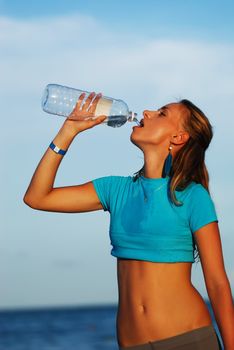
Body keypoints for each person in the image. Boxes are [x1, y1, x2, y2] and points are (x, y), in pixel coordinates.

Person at [23, 92, 234, 350]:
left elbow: (217, 282)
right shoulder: (116, 189)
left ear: (178, 138)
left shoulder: (192, 196)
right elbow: (37, 198)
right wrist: (68, 132)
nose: (147, 112)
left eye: (162, 113)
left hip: (187, 339)